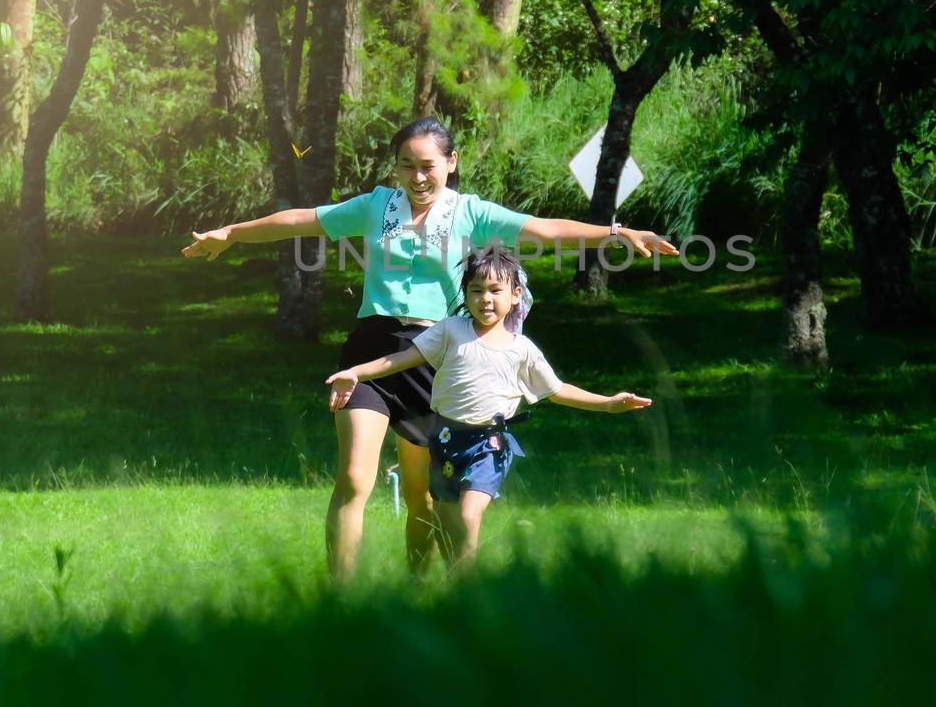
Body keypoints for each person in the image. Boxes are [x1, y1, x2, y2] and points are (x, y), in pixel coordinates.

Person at [181, 116, 677, 581]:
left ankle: (419, 592)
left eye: (428, 166)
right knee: (355, 479)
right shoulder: (376, 206)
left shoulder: (472, 213)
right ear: (394, 167)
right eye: (407, 166)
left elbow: (545, 229)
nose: (418, 177)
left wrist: (618, 233)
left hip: (434, 358)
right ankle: (340, 600)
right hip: (371, 351)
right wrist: (232, 233)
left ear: (451, 163)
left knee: (421, 493)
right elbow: (301, 221)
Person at [325, 245, 651, 567]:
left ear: (516, 295)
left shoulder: (521, 349)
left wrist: (607, 403)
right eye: (476, 290)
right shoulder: (450, 331)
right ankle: (460, 594)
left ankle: (471, 600)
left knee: (468, 516)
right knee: (448, 526)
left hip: (488, 445)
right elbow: (401, 358)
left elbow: (557, 390)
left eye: (496, 290)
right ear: (464, 294)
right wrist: (355, 372)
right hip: (445, 442)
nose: (486, 299)